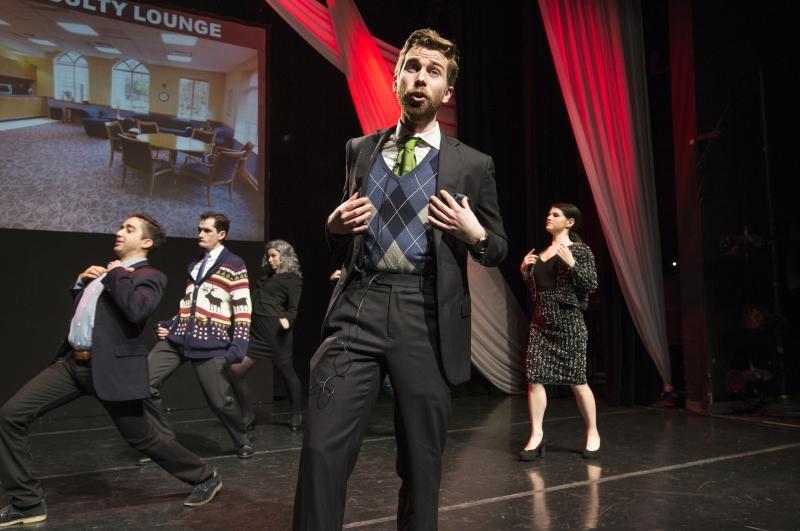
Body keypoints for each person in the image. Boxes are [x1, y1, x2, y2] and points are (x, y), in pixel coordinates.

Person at [293, 28, 507, 531]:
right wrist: (331, 227)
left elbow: (497, 247)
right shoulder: (359, 150)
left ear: (446, 92)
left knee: (420, 461)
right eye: (412, 67)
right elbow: (344, 227)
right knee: (323, 449)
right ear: (395, 78)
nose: (420, 79)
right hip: (358, 305)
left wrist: (475, 233)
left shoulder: (473, 164)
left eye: (433, 72)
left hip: (425, 313)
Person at [0, 214, 223, 527]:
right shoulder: (105, 274)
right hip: (72, 365)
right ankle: (26, 502)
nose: (119, 232)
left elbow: (137, 310)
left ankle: (206, 476)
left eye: (129, 229)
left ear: (146, 242)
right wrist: (81, 284)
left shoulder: (150, 275)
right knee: (10, 415)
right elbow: (93, 317)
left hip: (110, 370)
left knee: (143, 439)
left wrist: (116, 274)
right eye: (121, 227)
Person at [144, 211, 254, 459]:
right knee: (143, 383)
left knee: (220, 401)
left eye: (206, 230)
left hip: (211, 341)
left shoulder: (234, 264)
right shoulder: (194, 265)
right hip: (180, 337)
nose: (200, 234)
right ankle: (163, 444)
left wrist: (238, 346)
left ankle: (242, 438)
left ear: (221, 234)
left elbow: (243, 307)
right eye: (199, 230)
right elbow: (189, 304)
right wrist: (170, 324)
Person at [518, 203, 600, 461]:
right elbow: (538, 290)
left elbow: (591, 284)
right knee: (534, 378)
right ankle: (536, 435)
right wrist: (525, 271)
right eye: (549, 213)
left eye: (555, 215)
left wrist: (572, 263)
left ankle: (593, 432)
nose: (549, 217)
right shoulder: (542, 252)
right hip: (541, 324)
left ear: (570, 222)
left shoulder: (580, 250)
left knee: (578, 380)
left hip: (569, 324)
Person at [230, 240, 304, 431]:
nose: (270, 259)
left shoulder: (292, 280)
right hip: (256, 333)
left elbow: (293, 308)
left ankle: (296, 414)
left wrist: (288, 320)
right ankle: (249, 414)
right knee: (235, 371)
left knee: (287, 373)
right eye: (268, 256)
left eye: (274, 256)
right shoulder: (265, 278)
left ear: (284, 257)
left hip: (276, 333)